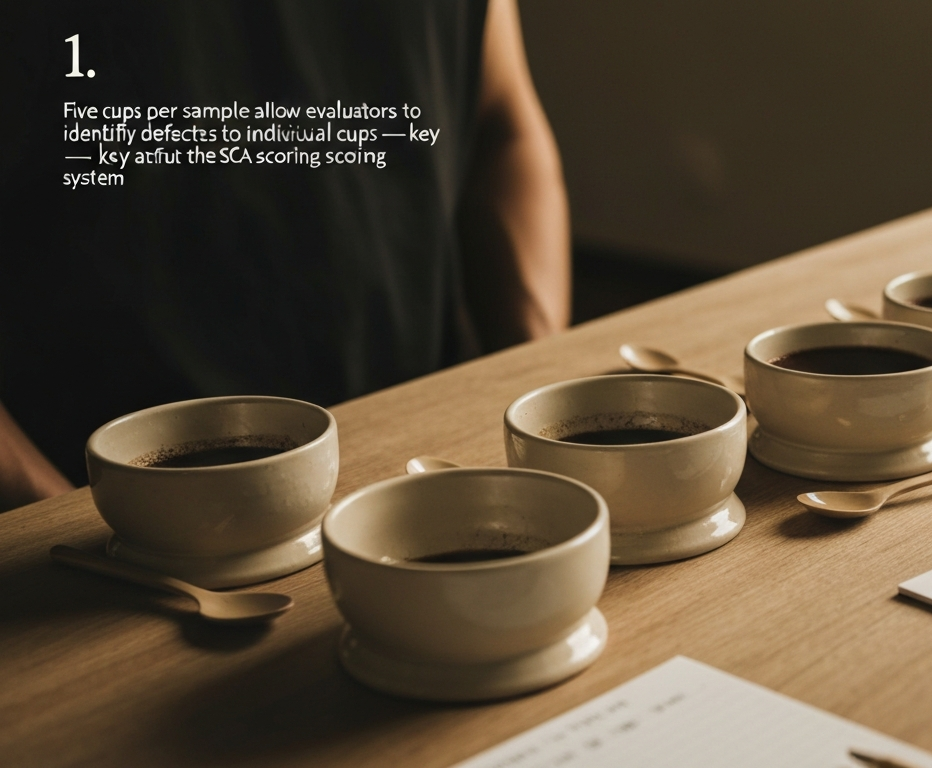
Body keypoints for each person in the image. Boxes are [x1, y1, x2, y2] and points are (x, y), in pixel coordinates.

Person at [0, 0, 570, 510]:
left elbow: (500, 121)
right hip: (95, 536)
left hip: (418, 479)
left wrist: (537, 408)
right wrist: (66, 529)